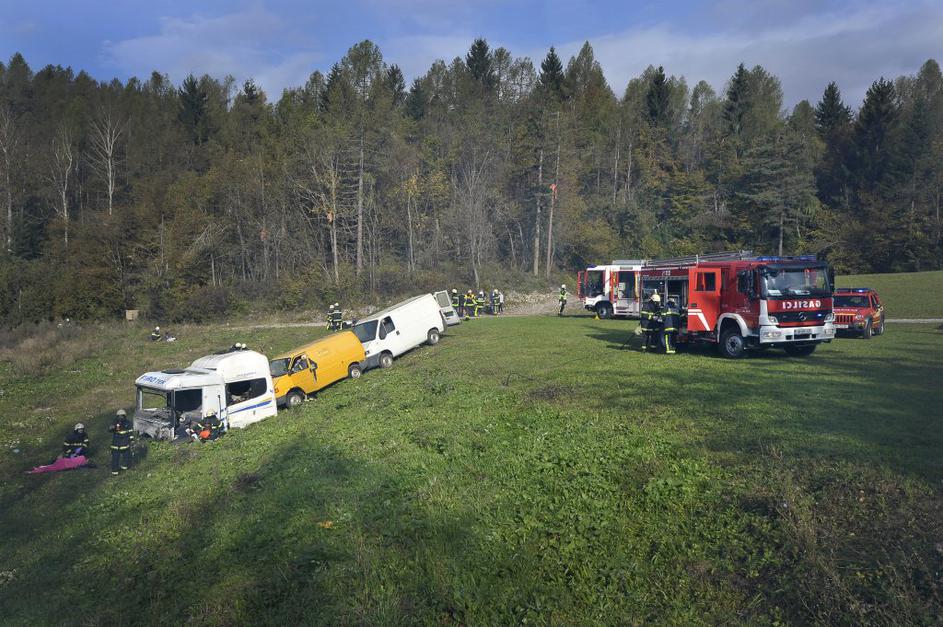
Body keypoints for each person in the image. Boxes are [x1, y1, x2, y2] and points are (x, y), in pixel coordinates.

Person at [108, 410, 134, 476]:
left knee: (127, 456)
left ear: (124, 416)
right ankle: (115, 472)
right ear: (117, 416)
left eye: (122, 416)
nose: (121, 417)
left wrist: (132, 440)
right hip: (116, 444)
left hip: (125, 444)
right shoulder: (114, 422)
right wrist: (111, 428)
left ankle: (124, 467)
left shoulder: (128, 423)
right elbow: (110, 429)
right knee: (115, 459)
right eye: (119, 416)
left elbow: (130, 432)